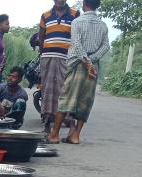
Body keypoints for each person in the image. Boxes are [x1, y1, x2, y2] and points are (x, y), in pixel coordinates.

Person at [46, 0, 109, 145]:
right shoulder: (103, 25)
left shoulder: (77, 22)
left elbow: (76, 44)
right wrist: (92, 61)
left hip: (77, 64)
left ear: (84, 4)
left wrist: (86, 61)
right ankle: (75, 135)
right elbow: (106, 46)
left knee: (66, 98)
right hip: (93, 67)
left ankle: (54, 134)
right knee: (85, 101)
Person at [38, 0, 81, 130]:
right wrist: (43, 53)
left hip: (66, 58)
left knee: (64, 88)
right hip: (48, 57)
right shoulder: (45, 15)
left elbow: (77, 36)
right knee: (47, 89)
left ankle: (66, 117)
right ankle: (47, 117)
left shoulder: (75, 14)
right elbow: (41, 37)